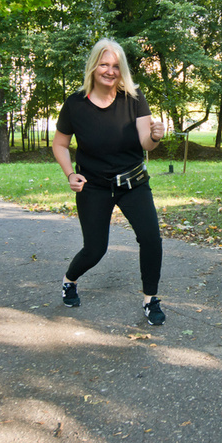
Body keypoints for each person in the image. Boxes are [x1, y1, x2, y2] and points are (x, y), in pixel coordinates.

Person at [52, 38, 167, 325]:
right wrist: (70, 173)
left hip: (133, 183)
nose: (110, 71)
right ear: (93, 67)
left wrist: (155, 135)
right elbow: (60, 144)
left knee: (151, 238)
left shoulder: (134, 97)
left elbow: (146, 143)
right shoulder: (75, 105)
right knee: (95, 249)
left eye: (116, 66)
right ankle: (70, 280)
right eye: (104, 64)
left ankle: (150, 300)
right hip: (94, 186)